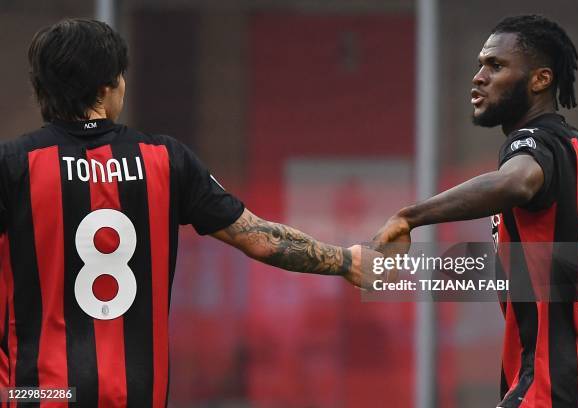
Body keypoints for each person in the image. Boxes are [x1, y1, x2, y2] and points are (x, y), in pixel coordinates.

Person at [0, 18, 378, 407]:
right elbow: (260, 239)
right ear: (106, 88)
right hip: (136, 396)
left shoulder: (13, 165)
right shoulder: (165, 160)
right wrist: (346, 261)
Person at [375, 15, 578, 407]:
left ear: (540, 80)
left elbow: (516, 182)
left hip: (555, 388)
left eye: (496, 66)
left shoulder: (534, 142)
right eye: (480, 64)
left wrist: (409, 216)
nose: (479, 77)